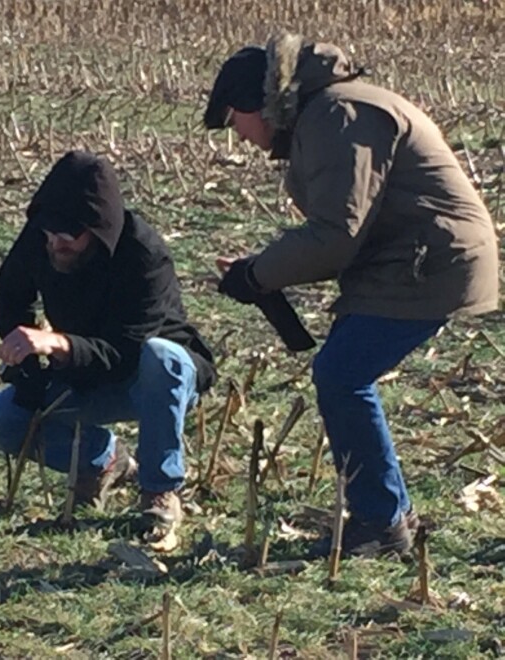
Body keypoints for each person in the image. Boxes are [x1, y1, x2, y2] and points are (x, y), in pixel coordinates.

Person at [204, 34, 499, 557]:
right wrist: (260, 272)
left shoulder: (337, 114)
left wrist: (257, 276)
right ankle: (388, 514)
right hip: (406, 259)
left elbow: (334, 236)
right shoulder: (333, 109)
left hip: (430, 262)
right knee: (343, 370)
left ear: (256, 104)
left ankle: (381, 523)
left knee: (341, 373)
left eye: (233, 123)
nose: (240, 138)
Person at [0, 151, 216, 546]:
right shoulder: (42, 236)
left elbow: (126, 350)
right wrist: (26, 352)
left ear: (98, 229)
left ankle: (159, 489)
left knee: (163, 357)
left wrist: (58, 342)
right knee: (0, 422)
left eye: (69, 236)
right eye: (50, 234)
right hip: (84, 372)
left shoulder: (144, 255)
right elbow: (10, 292)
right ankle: (103, 460)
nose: (56, 243)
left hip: (149, 379)